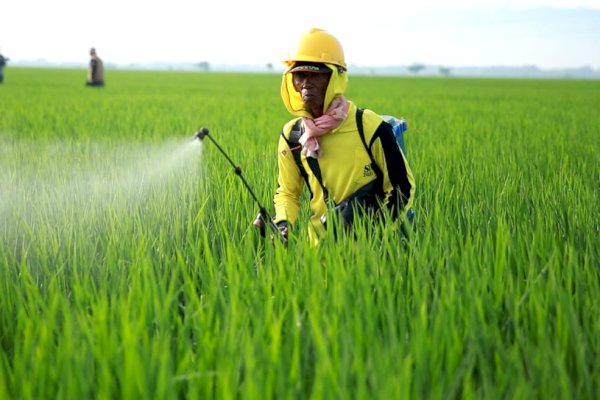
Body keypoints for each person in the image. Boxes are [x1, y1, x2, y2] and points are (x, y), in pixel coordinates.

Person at [256, 28, 416, 246]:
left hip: (373, 249)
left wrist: (371, 232)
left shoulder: (368, 126)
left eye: (316, 75)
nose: (306, 83)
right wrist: (282, 223)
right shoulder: (293, 136)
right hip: (318, 252)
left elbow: (402, 189)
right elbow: (288, 193)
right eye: (300, 75)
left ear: (337, 77)